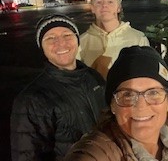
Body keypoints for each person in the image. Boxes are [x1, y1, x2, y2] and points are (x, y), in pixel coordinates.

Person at [64, 46, 168, 161]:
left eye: (153, 93)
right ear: (112, 105)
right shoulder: (95, 153)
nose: (141, 106)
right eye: (128, 95)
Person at [10, 14, 106, 160]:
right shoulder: (31, 99)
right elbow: (26, 155)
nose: (61, 43)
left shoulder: (94, 78)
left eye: (67, 35)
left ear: (77, 40)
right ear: (41, 47)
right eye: (50, 38)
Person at [77, 0, 150, 79]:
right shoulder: (80, 43)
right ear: (92, 8)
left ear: (118, 7)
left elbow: (146, 75)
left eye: (110, 1)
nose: (104, 6)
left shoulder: (138, 39)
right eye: (98, 2)